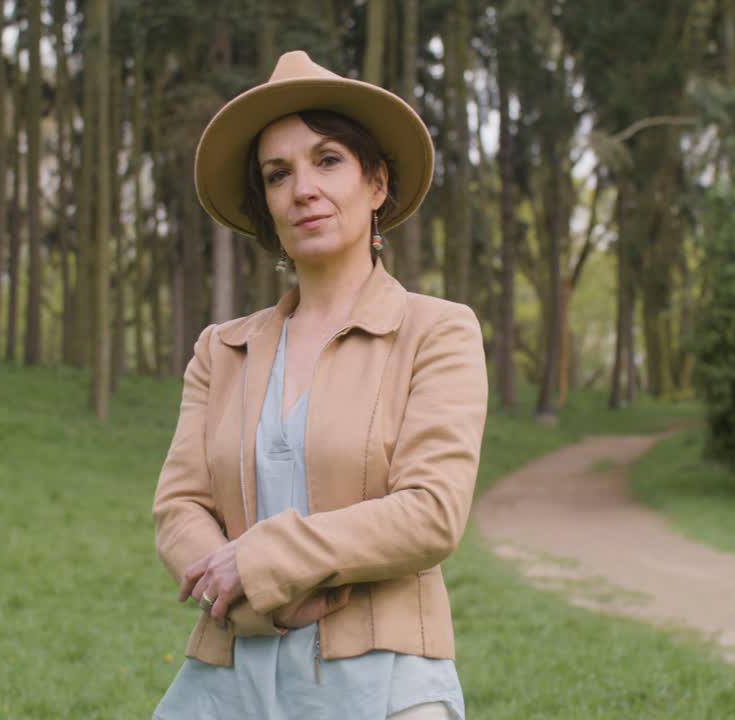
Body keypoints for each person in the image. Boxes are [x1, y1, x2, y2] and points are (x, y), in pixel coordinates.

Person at [152, 50, 488, 720]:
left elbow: (429, 513)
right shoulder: (221, 351)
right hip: (226, 680)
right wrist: (255, 602)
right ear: (267, 206)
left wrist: (268, 561)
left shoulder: (438, 333)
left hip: (386, 684)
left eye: (328, 160)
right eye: (279, 175)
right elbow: (179, 511)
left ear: (377, 183)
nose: (303, 188)